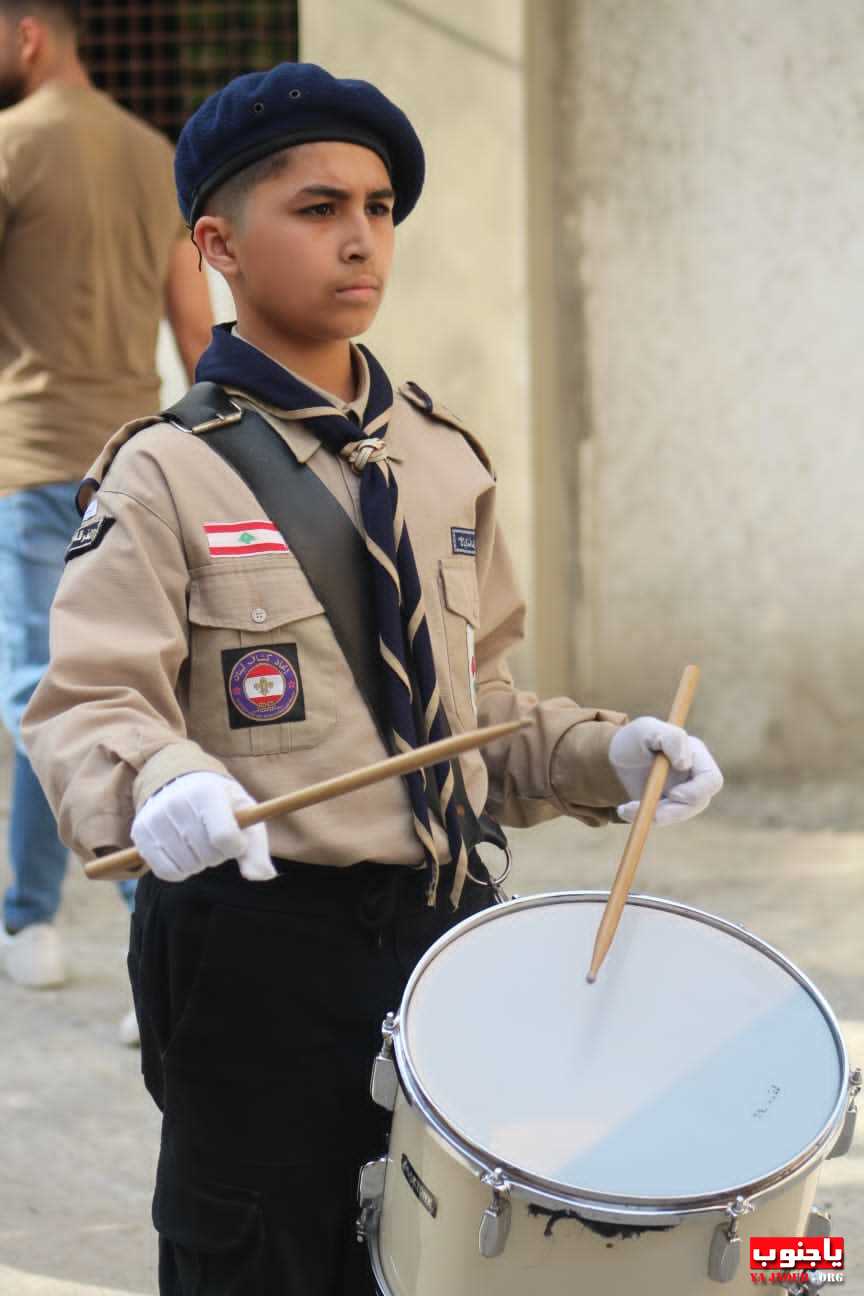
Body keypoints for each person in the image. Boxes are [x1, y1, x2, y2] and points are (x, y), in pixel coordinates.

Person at [22, 62, 723, 1295]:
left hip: (443, 942)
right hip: (257, 952)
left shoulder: (443, 464)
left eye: (380, 207)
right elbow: (88, 701)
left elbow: (476, 715)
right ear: (216, 243)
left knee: (445, 1258)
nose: (361, 239)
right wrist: (159, 783)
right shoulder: (165, 474)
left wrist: (605, 755)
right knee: (261, 1256)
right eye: (318, 208)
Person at [0, 0, 212, 993]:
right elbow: (200, 334)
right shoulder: (150, 155)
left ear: (30, 33)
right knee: (86, 684)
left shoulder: (10, 146)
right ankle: (29, 919)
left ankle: (143, 919)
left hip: (31, 457)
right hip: (130, 463)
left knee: (48, 694)